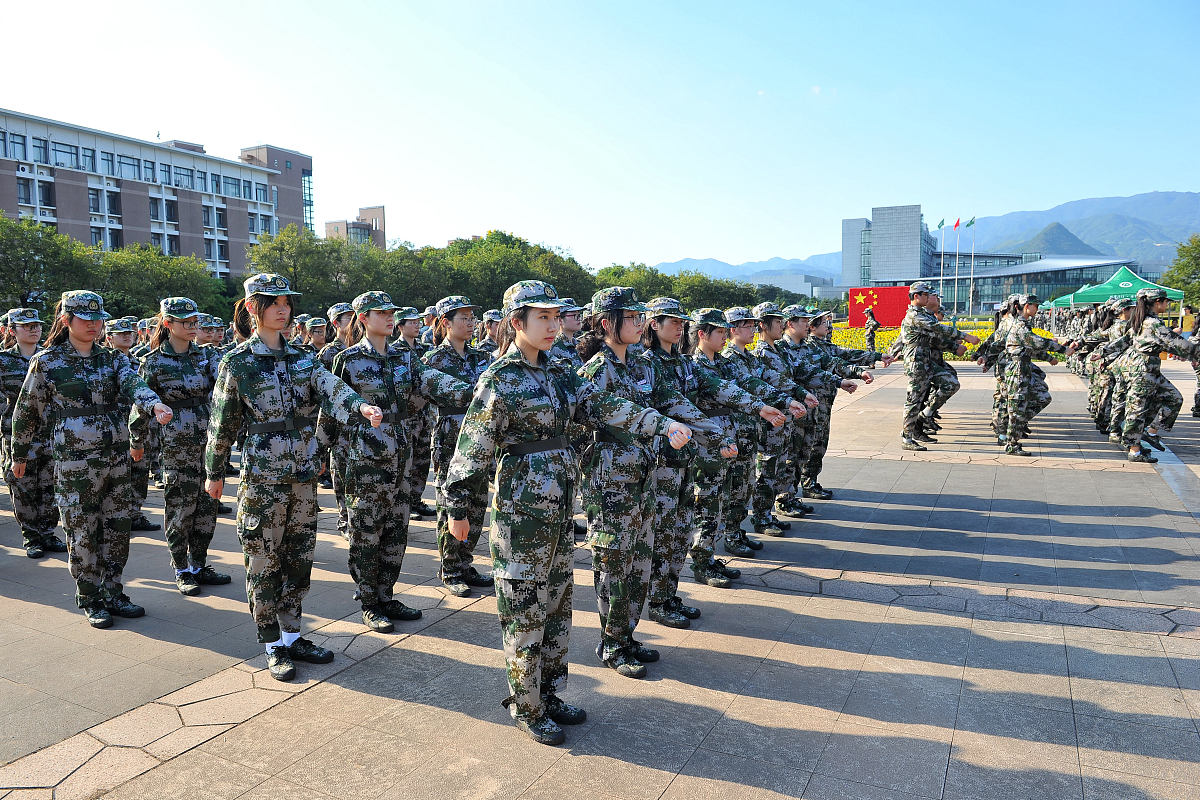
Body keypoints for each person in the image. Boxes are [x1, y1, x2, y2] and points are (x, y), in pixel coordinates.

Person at [444, 280, 692, 746]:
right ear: (516, 322)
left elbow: (603, 405)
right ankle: (526, 703)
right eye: (544, 318)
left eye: (557, 318)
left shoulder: (560, 371)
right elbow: (472, 447)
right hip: (521, 515)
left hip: (559, 509)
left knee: (558, 604)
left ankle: (551, 692)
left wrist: (661, 424)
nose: (554, 326)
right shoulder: (500, 378)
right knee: (524, 607)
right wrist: (458, 505)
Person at [203, 273, 385, 681]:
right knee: (263, 561)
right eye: (273, 302)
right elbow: (221, 423)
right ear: (253, 308)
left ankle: (293, 634)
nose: (283, 308)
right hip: (263, 480)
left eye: (286, 301)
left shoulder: (302, 357)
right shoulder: (237, 362)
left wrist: (360, 407)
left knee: (299, 559)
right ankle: (271, 643)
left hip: (302, 477)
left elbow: (331, 386)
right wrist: (214, 473)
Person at [577, 286, 716, 679]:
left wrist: (713, 433)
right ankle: (611, 642)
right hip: (611, 482)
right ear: (607, 323)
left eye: (641, 318)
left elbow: (672, 401)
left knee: (639, 561)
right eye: (632, 318)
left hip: (645, 475)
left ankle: (626, 634)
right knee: (613, 562)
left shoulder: (642, 365)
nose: (640, 324)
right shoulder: (593, 370)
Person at [12, 291, 173, 628]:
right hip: (74, 464)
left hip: (115, 460)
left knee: (117, 528)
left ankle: (113, 592)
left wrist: (153, 403)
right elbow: (26, 411)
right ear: (66, 320)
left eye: (97, 319)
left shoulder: (113, 359)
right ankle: (89, 596)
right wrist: (19, 453)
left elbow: (134, 385)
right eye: (85, 319)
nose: (93, 325)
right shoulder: (48, 361)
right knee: (82, 530)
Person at [640, 298, 795, 627]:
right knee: (666, 530)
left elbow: (718, 385)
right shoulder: (647, 363)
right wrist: (719, 433)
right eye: (674, 321)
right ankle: (658, 598)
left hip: (687, 452)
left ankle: (668, 595)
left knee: (681, 528)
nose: (680, 326)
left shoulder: (682, 363)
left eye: (683, 320)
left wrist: (760, 406)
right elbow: (677, 403)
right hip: (662, 459)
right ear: (654, 324)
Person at [325, 291, 473, 631]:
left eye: (392, 312)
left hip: (401, 456)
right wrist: (322, 454)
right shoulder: (348, 360)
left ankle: (386, 594)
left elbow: (430, 381)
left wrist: (473, 390)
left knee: (396, 529)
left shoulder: (405, 358)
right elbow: (331, 411)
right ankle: (368, 601)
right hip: (364, 459)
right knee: (367, 531)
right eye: (382, 313)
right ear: (362, 318)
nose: (390, 318)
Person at [131, 298, 230, 596]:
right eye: (184, 322)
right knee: (180, 507)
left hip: (210, 442)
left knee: (207, 506)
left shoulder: (208, 357)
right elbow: (141, 402)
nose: (191, 327)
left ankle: (199, 564)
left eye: (193, 322)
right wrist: (137, 441)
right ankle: (181, 567)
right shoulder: (153, 362)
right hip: (176, 445)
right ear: (167, 324)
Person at [422, 296, 496, 597]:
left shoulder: (481, 359)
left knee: (478, 504)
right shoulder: (433, 360)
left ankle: (466, 562)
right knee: (452, 505)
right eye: (462, 317)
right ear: (445, 323)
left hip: (480, 439)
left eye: (471, 316)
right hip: (450, 440)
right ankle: (450, 568)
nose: (470, 322)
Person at [1, 308, 65, 559]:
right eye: (26, 326)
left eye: (36, 325)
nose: (34, 329)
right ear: (11, 331)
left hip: (50, 432)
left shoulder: (51, 358)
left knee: (50, 485)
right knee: (22, 486)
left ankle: (48, 532)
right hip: (19, 435)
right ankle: (31, 536)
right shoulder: (3, 361)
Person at [1117, 288, 1197, 462]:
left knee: (1174, 398)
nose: (1167, 304)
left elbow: (1166, 343)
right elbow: (1177, 344)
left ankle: (1150, 432)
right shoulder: (1151, 323)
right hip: (1143, 370)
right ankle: (1134, 450)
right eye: (1166, 301)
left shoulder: (1146, 320)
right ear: (1157, 302)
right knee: (1137, 410)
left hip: (1151, 369)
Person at [1002, 294, 1072, 456]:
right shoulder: (1019, 325)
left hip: (1024, 366)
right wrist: (1062, 349)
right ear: (1027, 306)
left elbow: (1032, 347)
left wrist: (1049, 356)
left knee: (1042, 397)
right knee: (1017, 405)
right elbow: (1036, 342)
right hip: (1017, 368)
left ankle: (1015, 425)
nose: (1038, 308)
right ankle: (1012, 442)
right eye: (1036, 305)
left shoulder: (1023, 324)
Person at [393, 306, 436, 519]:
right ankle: (403, 503)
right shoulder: (394, 352)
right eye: (411, 322)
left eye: (418, 321)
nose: (417, 325)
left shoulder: (425, 350)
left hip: (424, 415)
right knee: (405, 462)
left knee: (422, 460)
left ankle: (416, 500)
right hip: (405, 416)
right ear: (400, 326)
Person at [318, 302, 355, 523]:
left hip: (361, 425)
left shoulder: (361, 349)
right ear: (336, 323)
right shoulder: (329, 353)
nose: (353, 322)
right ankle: (344, 518)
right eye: (347, 318)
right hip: (339, 425)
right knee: (342, 473)